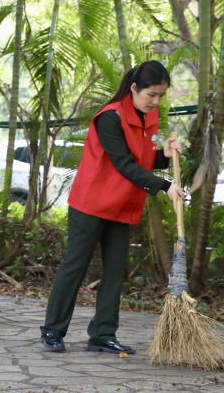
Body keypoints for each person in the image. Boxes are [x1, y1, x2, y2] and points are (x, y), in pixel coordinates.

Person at [40, 60, 186, 354]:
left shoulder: (150, 116)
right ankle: (53, 330)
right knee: (75, 265)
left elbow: (141, 159)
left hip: (123, 203)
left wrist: (164, 156)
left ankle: (103, 334)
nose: (155, 102)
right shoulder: (110, 117)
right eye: (151, 95)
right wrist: (165, 185)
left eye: (160, 96)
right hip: (92, 202)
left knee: (116, 269)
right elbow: (122, 163)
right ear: (134, 88)